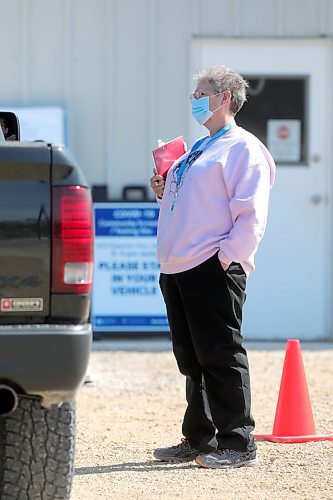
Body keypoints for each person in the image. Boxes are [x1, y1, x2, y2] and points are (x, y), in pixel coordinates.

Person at [149, 65, 275, 469]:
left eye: (201, 92)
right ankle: (199, 437)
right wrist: (163, 188)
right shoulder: (199, 149)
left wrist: (228, 257)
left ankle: (238, 442)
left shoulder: (242, 148)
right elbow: (192, 205)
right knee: (192, 357)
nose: (194, 99)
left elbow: (251, 213)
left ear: (224, 97)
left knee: (220, 352)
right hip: (179, 266)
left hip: (210, 265)